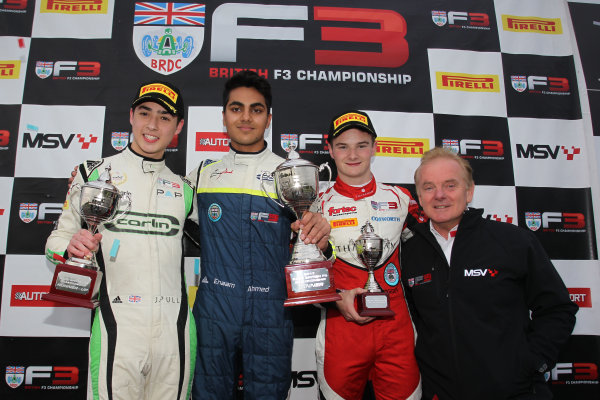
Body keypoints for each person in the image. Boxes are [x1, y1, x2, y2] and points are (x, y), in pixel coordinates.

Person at [46, 81, 196, 400]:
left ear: (179, 126)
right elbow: (56, 240)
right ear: (131, 115)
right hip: (118, 326)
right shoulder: (93, 174)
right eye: (145, 113)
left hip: (176, 330)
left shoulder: (185, 189)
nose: (152, 125)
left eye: (165, 117)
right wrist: (69, 247)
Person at [187, 70, 332, 400]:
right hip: (214, 309)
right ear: (224, 116)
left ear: (268, 117)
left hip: (271, 308)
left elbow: (317, 238)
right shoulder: (202, 174)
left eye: (256, 109)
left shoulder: (291, 174)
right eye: (236, 108)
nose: (246, 117)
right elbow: (159, 207)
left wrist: (323, 236)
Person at [401, 147, 578, 400]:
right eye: (429, 187)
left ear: (469, 191)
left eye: (450, 185)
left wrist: (531, 362)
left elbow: (558, 309)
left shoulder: (512, 241)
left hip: (515, 392)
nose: (439, 195)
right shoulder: (408, 252)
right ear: (418, 195)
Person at [315, 110, 423, 400]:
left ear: (375, 148)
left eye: (361, 145)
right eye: (342, 146)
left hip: (396, 331)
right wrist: (336, 297)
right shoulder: (316, 205)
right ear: (330, 149)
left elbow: (430, 255)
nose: (353, 154)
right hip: (342, 327)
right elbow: (304, 274)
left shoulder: (402, 199)